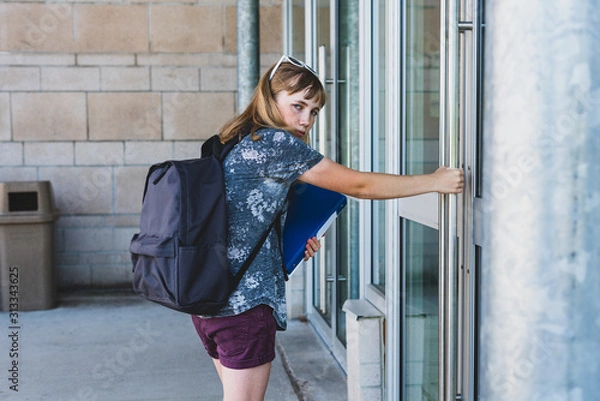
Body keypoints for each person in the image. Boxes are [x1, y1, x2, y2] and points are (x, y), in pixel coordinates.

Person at [191, 55, 464, 401]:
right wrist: (434, 181)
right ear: (270, 99)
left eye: (314, 111)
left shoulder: (235, 138)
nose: (306, 120)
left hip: (210, 304)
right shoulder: (277, 144)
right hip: (244, 309)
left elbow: (242, 217)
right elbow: (360, 186)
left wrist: (285, 244)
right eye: (298, 106)